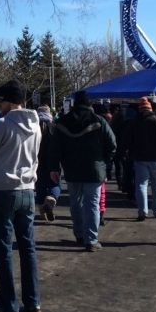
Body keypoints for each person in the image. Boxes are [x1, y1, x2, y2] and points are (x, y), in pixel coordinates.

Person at [0, 81, 42, 312]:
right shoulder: (36, 125)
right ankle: (32, 300)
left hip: (2, 190)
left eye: (0, 101)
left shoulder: (3, 125)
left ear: (10, 101)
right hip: (27, 189)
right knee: (28, 247)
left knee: (3, 248)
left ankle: (9, 303)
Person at [49, 91, 116, 252]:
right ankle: (91, 239)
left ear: (73, 104)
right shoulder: (99, 121)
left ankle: (79, 233)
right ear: (89, 104)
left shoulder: (62, 122)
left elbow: (55, 148)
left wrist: (54, 167)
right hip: (95, 168)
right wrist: (105, 160)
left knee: (76, 202)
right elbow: (112, 144)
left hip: (71, 168)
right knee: (92, 204)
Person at [130, 97, 156, 221]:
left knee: (141, 184)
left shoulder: (134, 122)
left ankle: (142, 211)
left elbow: (127, 139)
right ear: (150, 109)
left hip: (139, 157)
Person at [35, 105, 59, 221]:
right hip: (52, 162)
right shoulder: (54, 127)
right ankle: (51, 198)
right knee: (55, 184)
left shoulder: (34, 127)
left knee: (40, 186)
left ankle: (41, 209)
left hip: (37, 163)